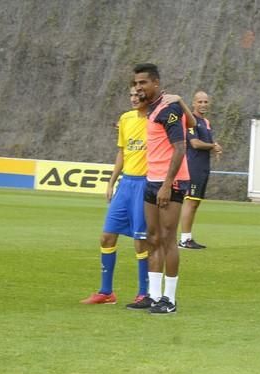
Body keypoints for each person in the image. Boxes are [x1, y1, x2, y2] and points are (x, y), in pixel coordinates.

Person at [80, 88, 195, 306]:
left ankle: (145, 293)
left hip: (146, 182)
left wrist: (180, 101)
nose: (134, 98)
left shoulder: (157, 117)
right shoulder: (125, 119)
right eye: (131, 95)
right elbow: (122, 152)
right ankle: (106, 292)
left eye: (138, 94)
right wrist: (112, 182)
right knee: (107, 236)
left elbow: (188, 127)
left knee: (143, 240)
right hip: (126, 184)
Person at [129, 63, 190, 314]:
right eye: (136, 83)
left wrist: (167, 184)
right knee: (152, 238)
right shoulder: (152, 109)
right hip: (151, 179)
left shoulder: (169, 108)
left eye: (143, 83)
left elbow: (180, 147)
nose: (139, 87)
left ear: (155, 82)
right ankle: (153, 296)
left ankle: (170, 299)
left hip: (170, 182)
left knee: (167, 239)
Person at [178, 91, 222, 250]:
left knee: (195, 202)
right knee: (190, 202)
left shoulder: (206, 122)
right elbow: (195, 143)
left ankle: (188, 238)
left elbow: (207, 143)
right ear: (193, 103)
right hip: (193, 166)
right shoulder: (190, 121)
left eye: (205, 102)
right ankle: (184, 239)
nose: (203, 105)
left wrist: (215, 147)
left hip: (203, 166)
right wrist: (212, 146)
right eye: (200, 102)